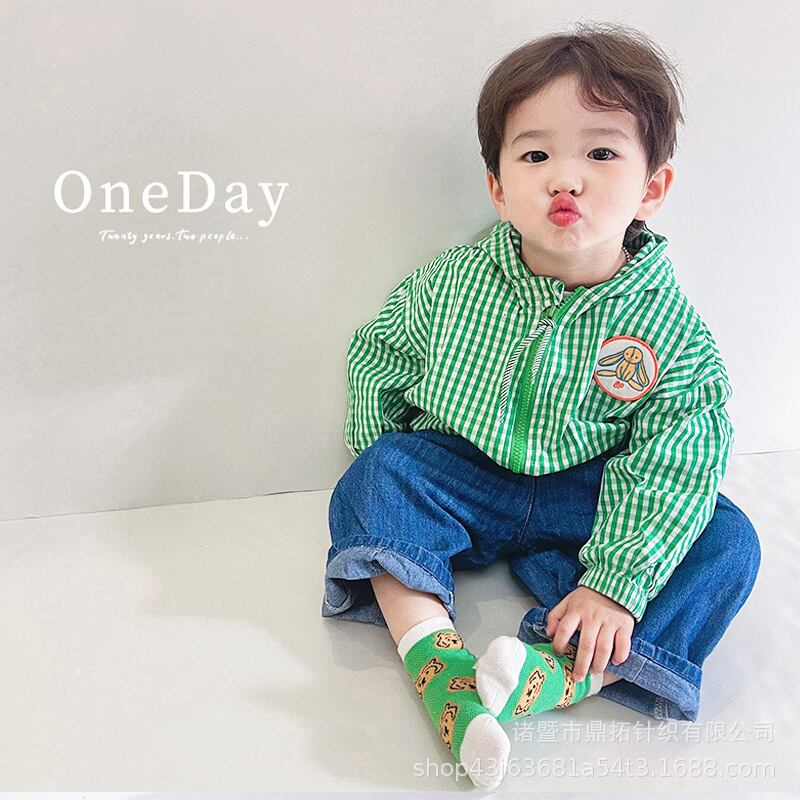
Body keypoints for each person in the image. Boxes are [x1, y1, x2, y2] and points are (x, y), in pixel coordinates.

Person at [321, 22, 761, 790]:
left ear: (652, 188)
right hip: (469, 470)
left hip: (590, 494)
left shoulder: (668, 330)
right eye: (534, 156)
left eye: (601, 154)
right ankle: (440, 670)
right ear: (497, 187)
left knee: (727, 540)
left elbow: (678, 454)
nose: (566, 179)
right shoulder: (454, 284)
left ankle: (563, 673)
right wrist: (391, 454)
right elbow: (381, 352)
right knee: (379, 472)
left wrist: (616, 579)